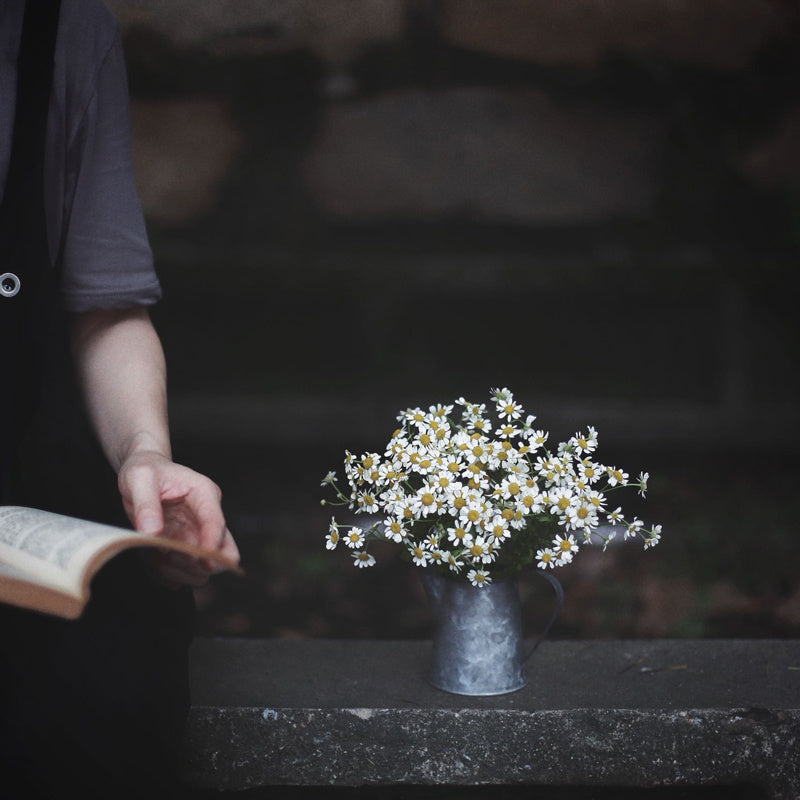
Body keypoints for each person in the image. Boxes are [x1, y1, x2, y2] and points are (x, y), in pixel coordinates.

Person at [0, 0, 240, 796]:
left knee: (104, 690)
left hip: (19, 499)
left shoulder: (64, 31)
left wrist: (146, 452)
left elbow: (106, 306)